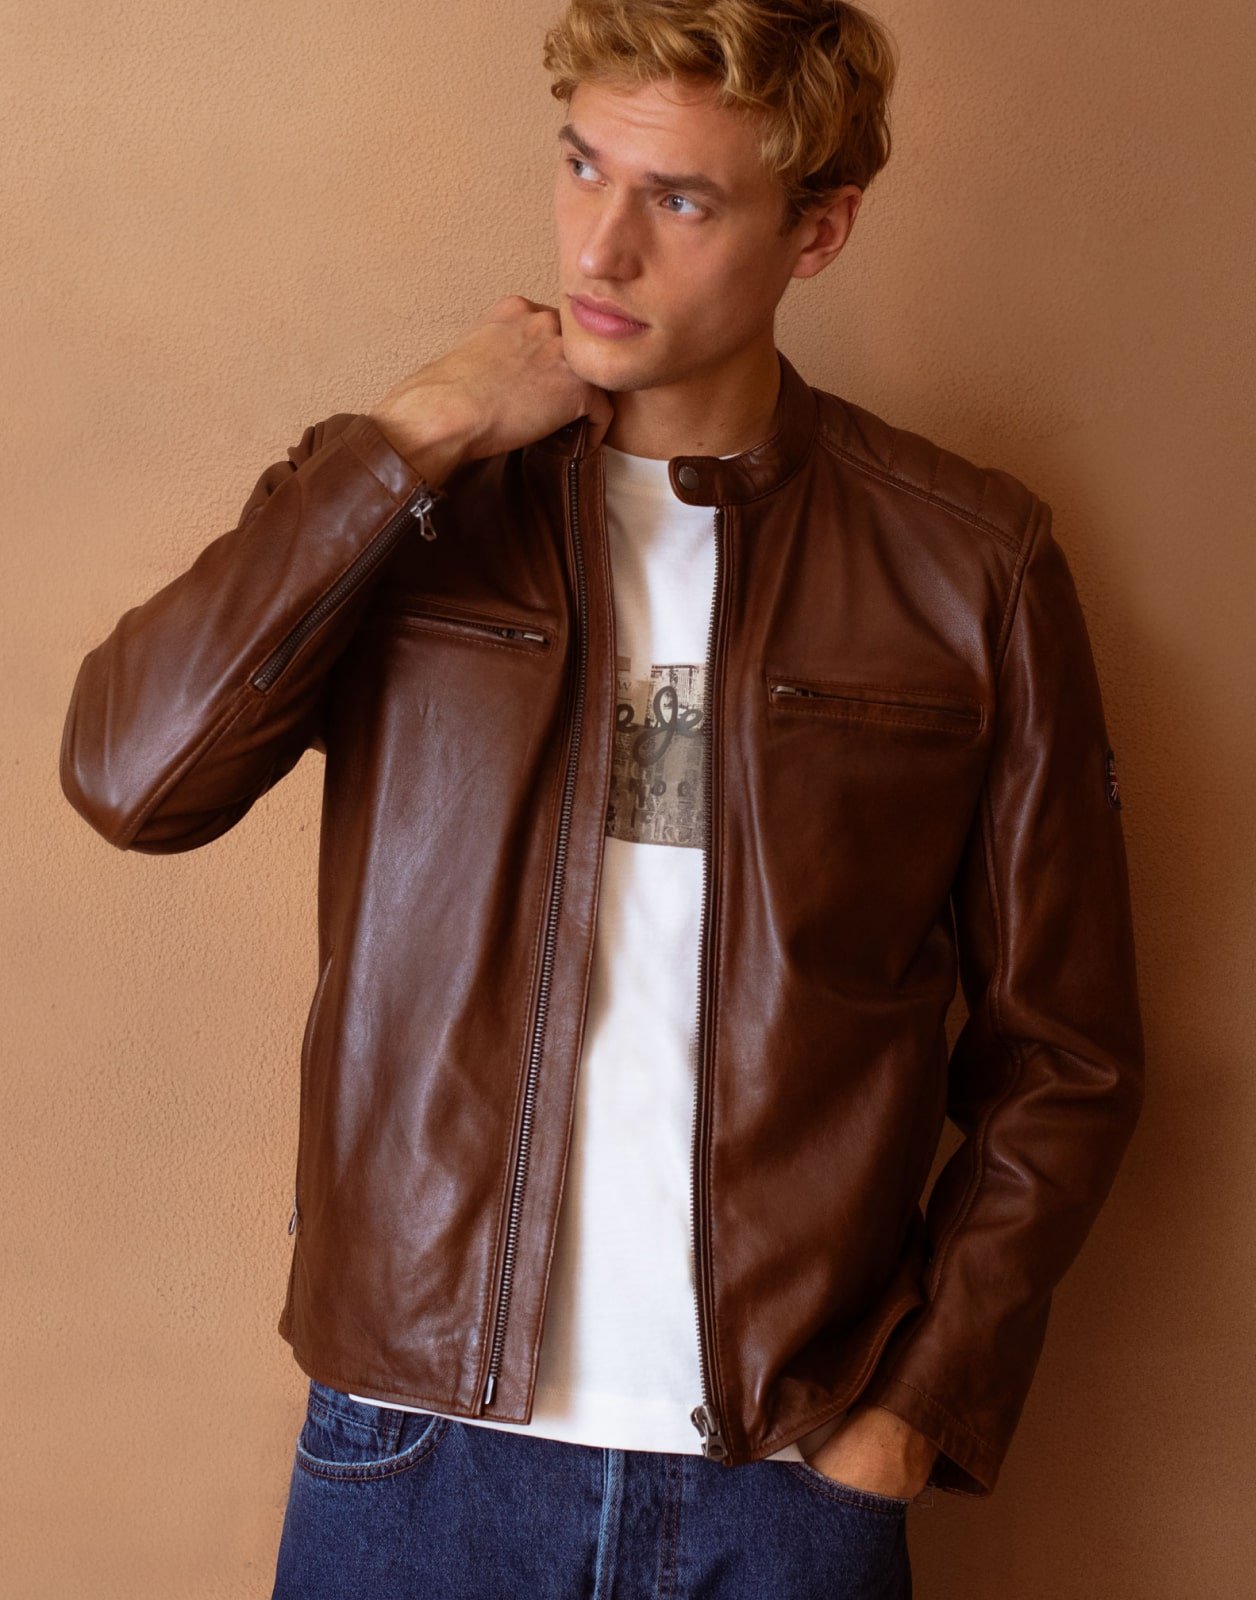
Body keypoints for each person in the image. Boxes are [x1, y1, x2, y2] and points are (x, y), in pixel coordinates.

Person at [58, 2, 1145, 1596]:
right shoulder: (417, 506)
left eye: (679, 199)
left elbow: (1065, 1053)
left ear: (817, 231)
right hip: (414, 1449)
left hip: (783, 1475)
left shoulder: (964, 563)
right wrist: (414, 433)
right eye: (582, 168)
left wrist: (911, 1414)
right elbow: (131, 778)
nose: (602, 246)